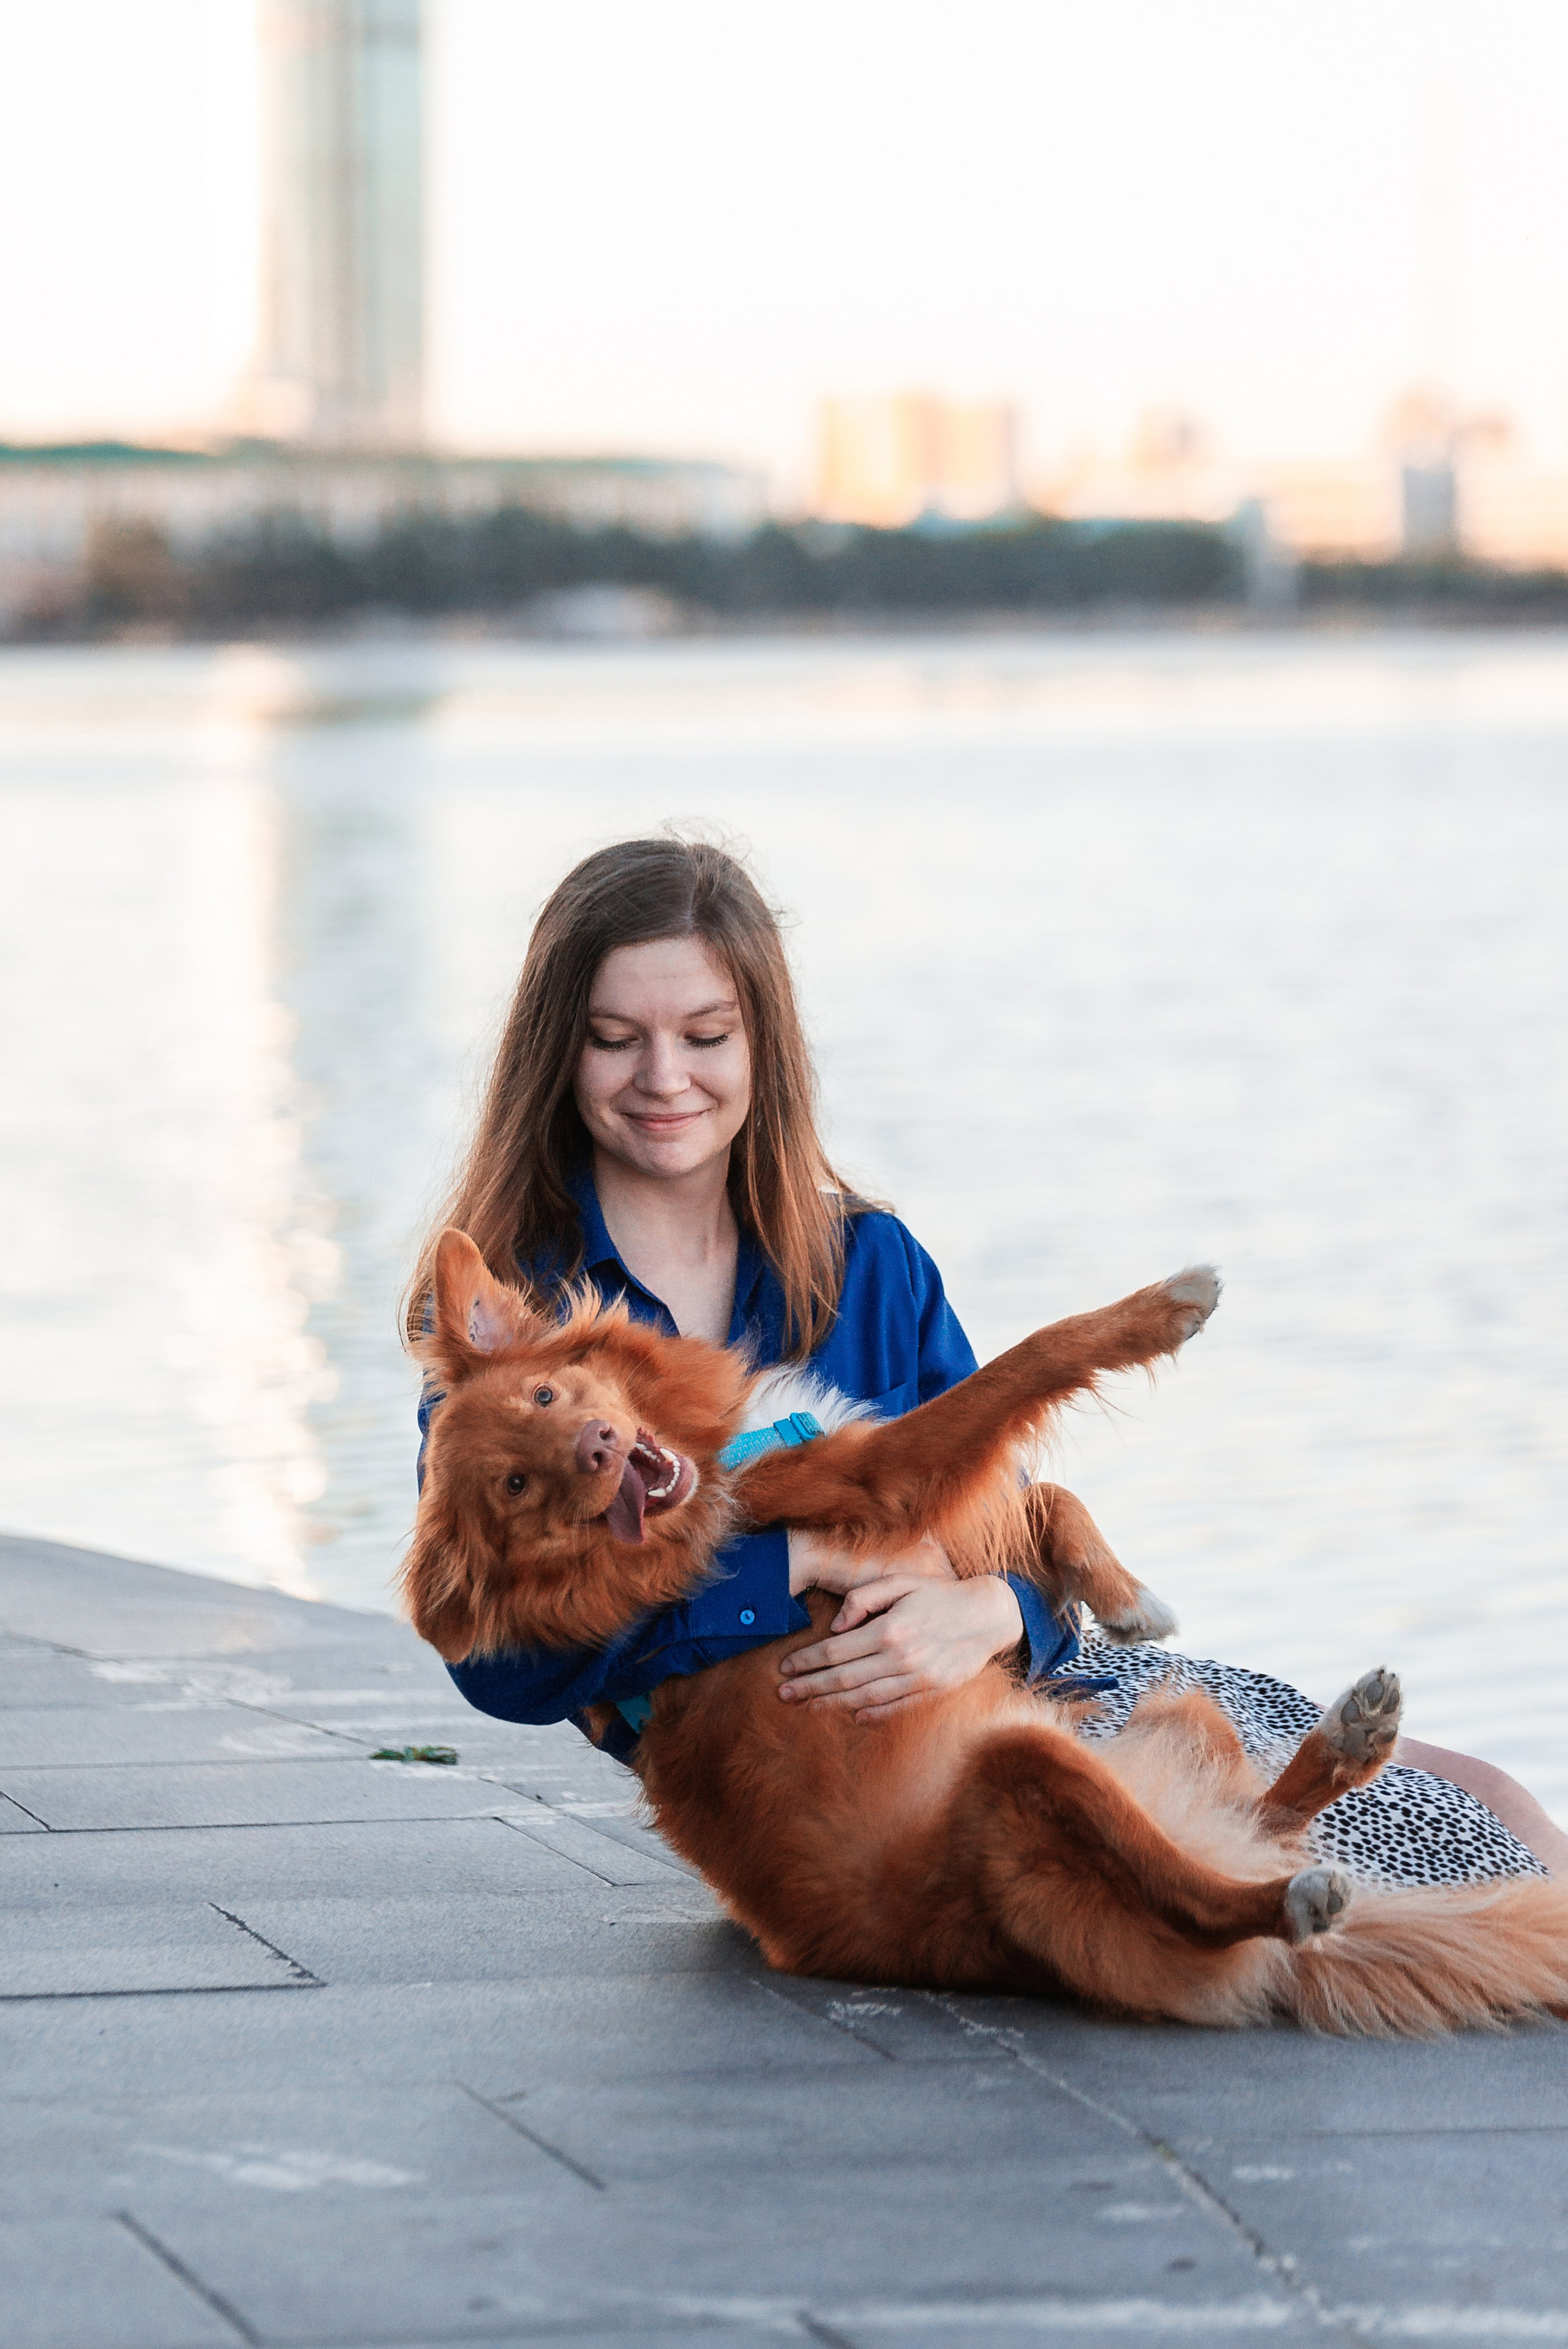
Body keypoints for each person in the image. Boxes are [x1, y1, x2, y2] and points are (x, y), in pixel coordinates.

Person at [411, 835, 1566, 1882]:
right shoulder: (513, 1353)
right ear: (560, 1056)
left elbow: (1007, 1523)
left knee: (1499, 1807)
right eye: (618, 1041)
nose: (666, 1078)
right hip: (862, 1801)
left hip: (1032, 1685)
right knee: (1390, 1860)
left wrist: (995, 1612)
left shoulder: (871, 1263)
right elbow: (502, 1666)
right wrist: (792, 1569)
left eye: (707, 1036)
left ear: (766, 1047)